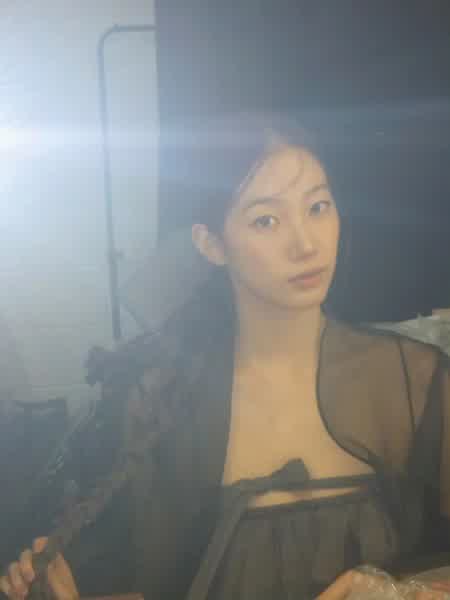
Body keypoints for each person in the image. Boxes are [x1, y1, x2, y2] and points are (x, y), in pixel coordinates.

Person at [1, 114, 450, 600]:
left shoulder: (412, 383)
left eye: (318, 207)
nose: (306, 244)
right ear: (211, 243)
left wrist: (402, 592)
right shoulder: (161, 402)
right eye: (266, 220)